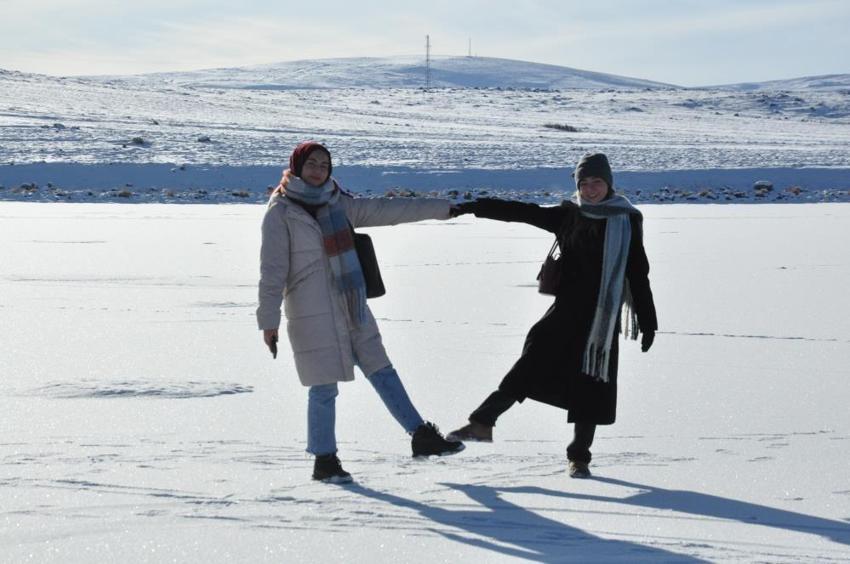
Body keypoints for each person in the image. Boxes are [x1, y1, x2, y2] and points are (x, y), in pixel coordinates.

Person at [257, 141, 464, 484]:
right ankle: (324, 460)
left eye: (324, 164)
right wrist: (269, 321)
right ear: (296, 166)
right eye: (312, 163)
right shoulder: (281, 211)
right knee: (323, 388)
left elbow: (386, 210)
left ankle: (421, 435)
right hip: (313, 313)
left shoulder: (338, 202)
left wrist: (444, 209)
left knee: (382, 370)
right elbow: (272, 271)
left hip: (352, 304)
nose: (318, 169)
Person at [447, 153, 657, 479]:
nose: (590, 190)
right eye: (583, 183)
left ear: (609, 183)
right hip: (564, 313)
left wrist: (647, 318)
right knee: (528, 366)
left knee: (591, 385)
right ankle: (482, 423)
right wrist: (478, 206)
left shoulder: (627, 220)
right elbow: (523, 213)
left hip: (600, 319)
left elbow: (637, 272)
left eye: (596, 182)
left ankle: (579, 458)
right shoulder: (570, 215)